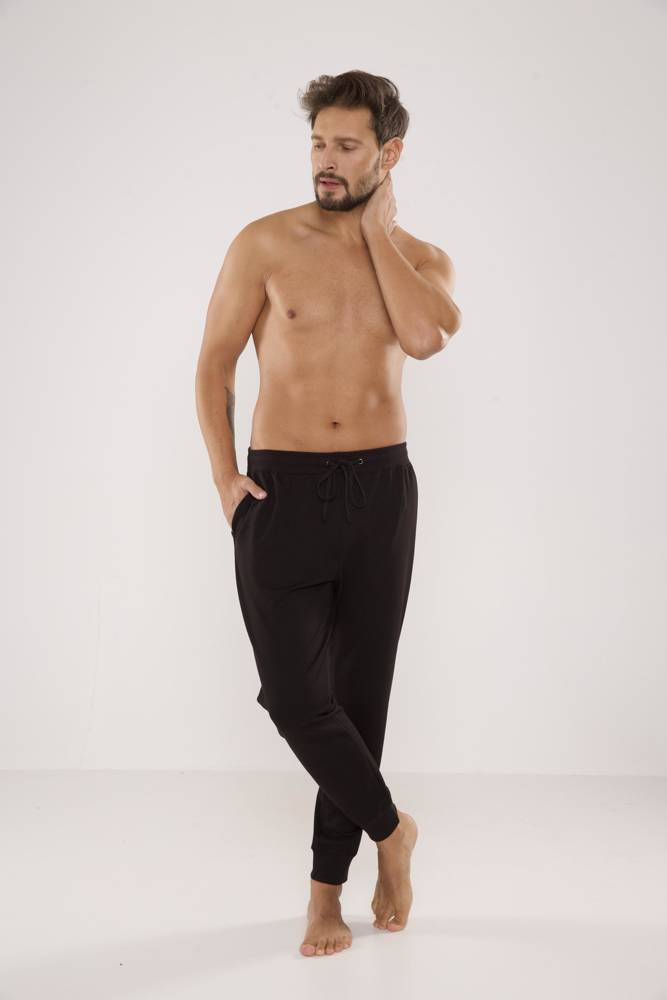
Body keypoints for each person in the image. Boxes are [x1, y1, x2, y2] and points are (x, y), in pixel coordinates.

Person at [195, 69, 461, 958]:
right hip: (281, 489)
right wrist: (224, 476)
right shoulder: (264, 243)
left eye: (347, 146)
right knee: (294, 697)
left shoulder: (420, 259)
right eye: (318, 142)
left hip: (381, 493)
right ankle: (393, 829)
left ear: (388, 154)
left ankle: (324, 896)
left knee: (359, 699)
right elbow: (213, 363)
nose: (326, 161)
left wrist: (376, 234)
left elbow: (424, 337)